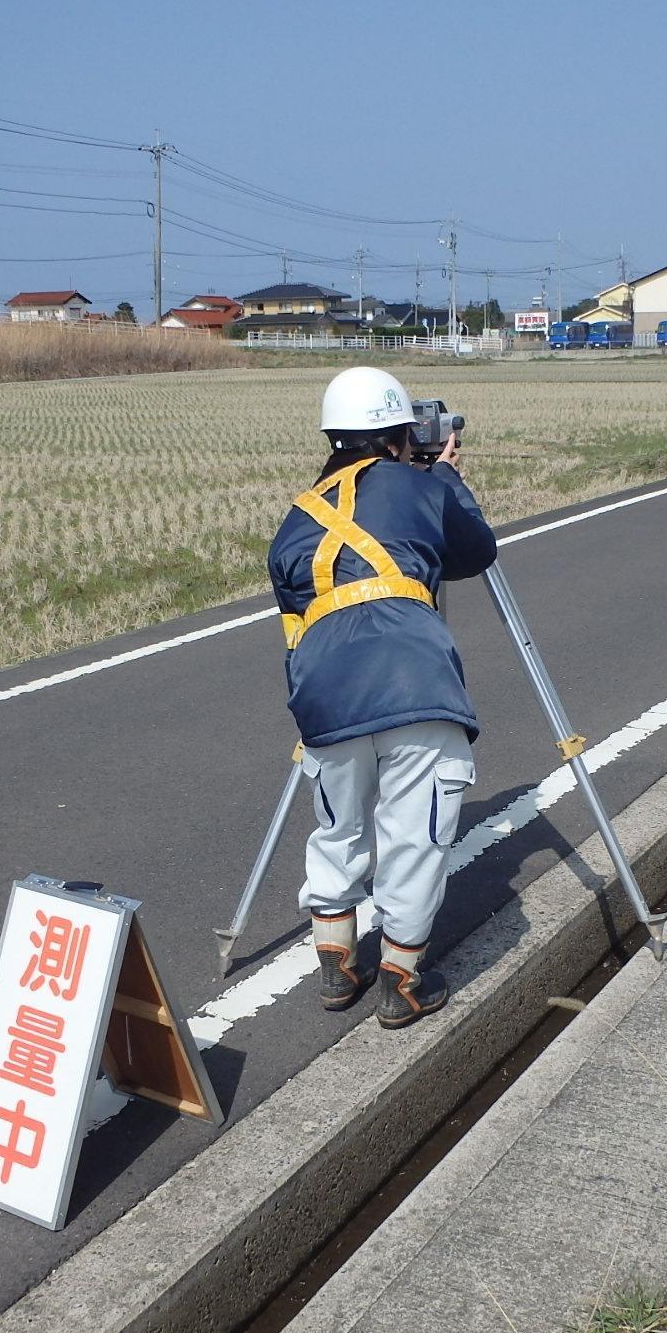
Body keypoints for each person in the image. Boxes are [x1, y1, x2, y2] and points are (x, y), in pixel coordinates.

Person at [268, 366, 499, 1029]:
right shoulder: (420, 484)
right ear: (402, 433)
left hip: (323, 693)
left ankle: (336, 962)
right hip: (414, 683)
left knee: (339, 824)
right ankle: (401, 975)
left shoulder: (297, 515)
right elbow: (473, 551)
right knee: (414, 833)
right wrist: (447, 476)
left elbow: (295, 617)